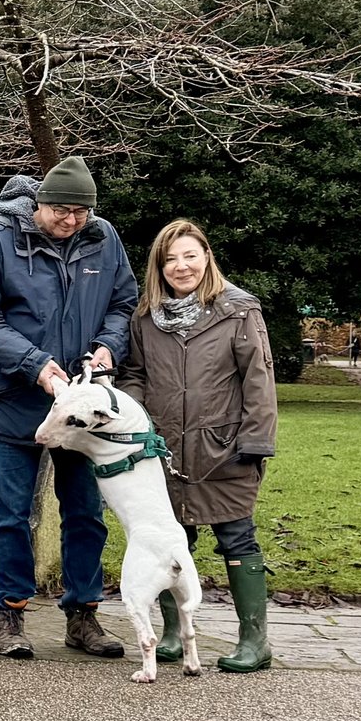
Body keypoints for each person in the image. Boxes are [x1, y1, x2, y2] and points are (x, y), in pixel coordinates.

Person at [0, 157, 138, 660]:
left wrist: (107, 347)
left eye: (81, 212)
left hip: (82, 406)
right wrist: (35, 364)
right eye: (62, 210)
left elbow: (122, 304)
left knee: (85, 512)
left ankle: (83, 615)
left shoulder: (104, 239)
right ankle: (10, 614)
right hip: (13, 401)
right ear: (38, 203)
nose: (71, 221)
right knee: (11, 513)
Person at [116, 220, 278, 673]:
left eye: (190, 255)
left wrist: (255, 440)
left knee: (236, 536)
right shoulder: (145, 317)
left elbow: (259, 379)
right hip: (164, 451)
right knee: (172, 540)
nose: (181, 266)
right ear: (159, 266)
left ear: (207, 257)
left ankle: (254, 641)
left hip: (224, 447)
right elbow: (135, 375)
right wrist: (137, 422)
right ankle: (173, 633)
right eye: (170, 259)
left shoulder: (238, 311)